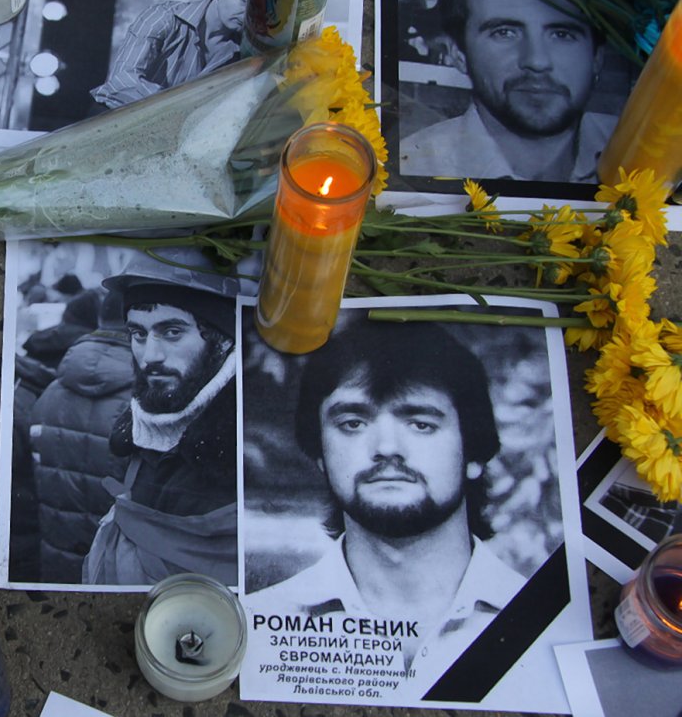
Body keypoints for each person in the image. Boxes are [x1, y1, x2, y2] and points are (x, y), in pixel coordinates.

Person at [262, 317, 525, 676]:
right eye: (353, 423)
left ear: (475, 452)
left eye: (421, 423)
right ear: (321, 455)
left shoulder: (539, 616)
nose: (387, 448)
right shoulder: (261, 621)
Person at [82, 251, 239, 586]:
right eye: (138, 334)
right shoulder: (138, 433)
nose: (150, 356)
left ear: (222, 339)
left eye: (171, 332)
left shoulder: (252, 442)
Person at [400, 0, 616, 183]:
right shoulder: (410, 167)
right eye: (504, 33)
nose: (537, 61)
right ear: (458, 55)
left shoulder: (647, 155)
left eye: (562, 34)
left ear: (597, 57)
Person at [28, 291, 134, 583]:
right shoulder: (145, 400)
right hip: (116, 570)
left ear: (101, 319)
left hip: (56, 568)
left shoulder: (49, 395)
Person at [89, 0, 252, 111]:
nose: (248, 14)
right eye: (244, 1)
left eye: (255, 9)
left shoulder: (242, 51)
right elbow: (121, 80)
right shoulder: (164, 16)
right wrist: (179, 108)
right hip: (111, 115)